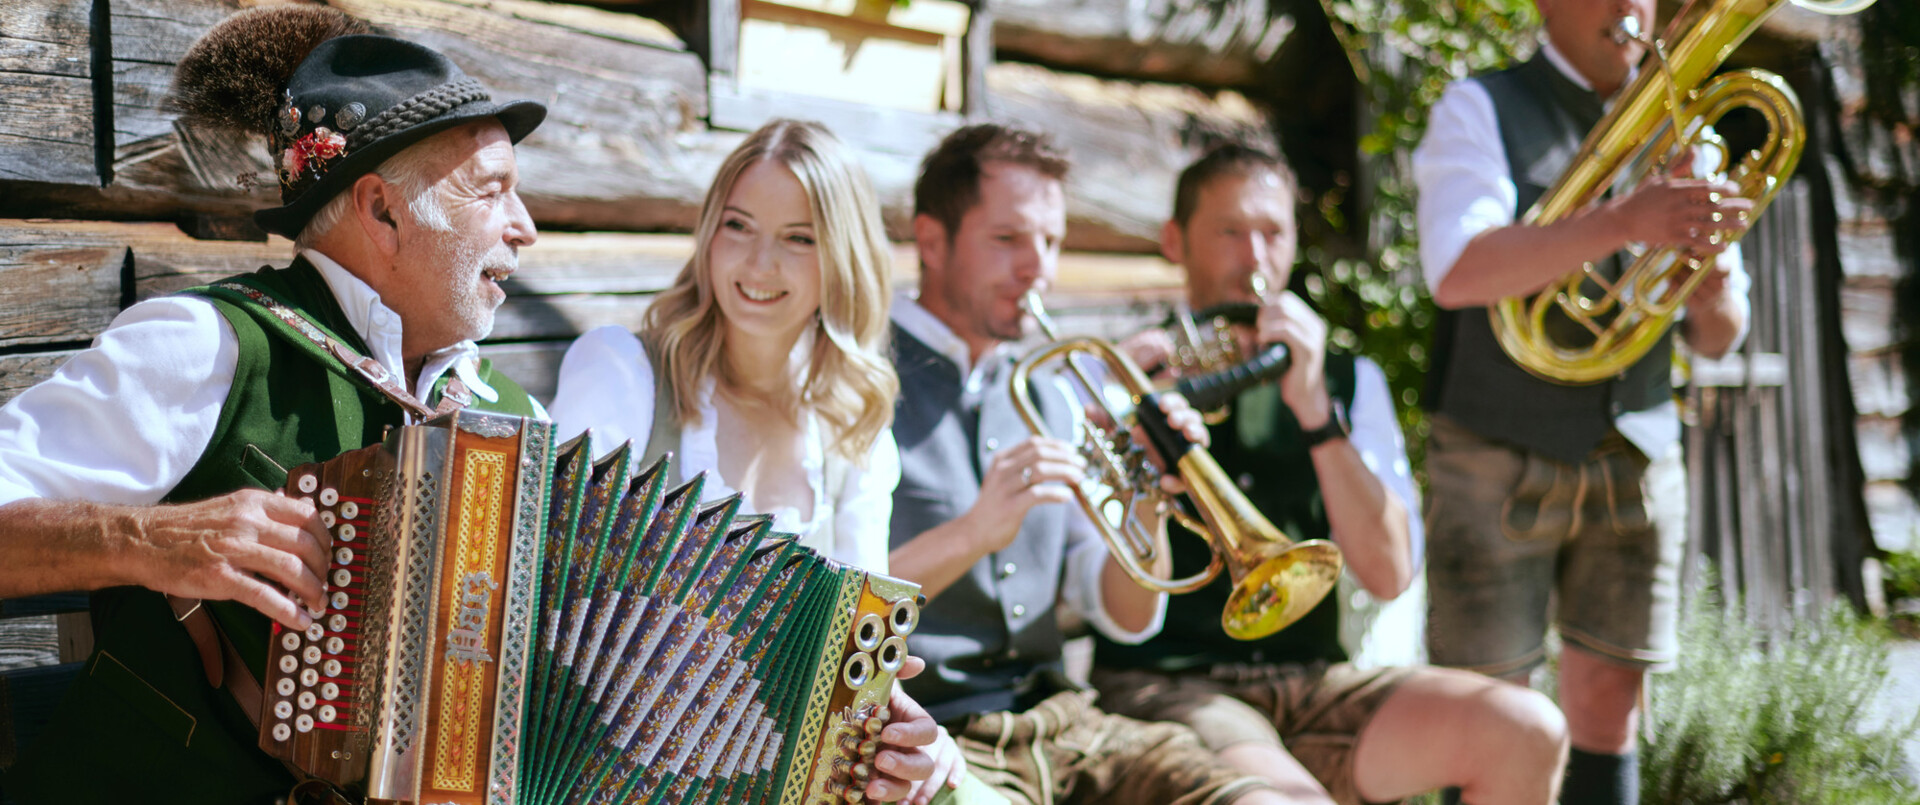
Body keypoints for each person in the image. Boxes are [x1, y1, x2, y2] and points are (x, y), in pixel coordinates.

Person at [0, 10, 938, 803]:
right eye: (494, 192)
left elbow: (595, 678)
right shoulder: (206, 345)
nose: (525, 229)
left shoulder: (510, 419)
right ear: (382, 211)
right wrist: (148, 539)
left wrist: (843, 731)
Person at [1095, 144, 1569, 805]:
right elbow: (1112, 609)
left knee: (1527, 729)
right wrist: (1140, 432)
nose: (1255, 257)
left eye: (1273, 233)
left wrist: (1317, 411)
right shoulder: (1123, 377)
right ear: (1175, 241)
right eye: (1230, 231)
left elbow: (1389, 573)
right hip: (1170, 685)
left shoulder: (1348, 380)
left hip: (1311, 680)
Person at [885, 123, 1295, 805]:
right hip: (933, 740)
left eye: (1050, 242)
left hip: (1064, 725)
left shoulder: (1055, 390)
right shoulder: (860, 379)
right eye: (1008, 239)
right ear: (931, 241)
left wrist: (1148, 498)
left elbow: (1126, 614)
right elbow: (829, 604)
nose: (1038, 269)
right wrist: (975, 532)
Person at [1412, 0, 1754, 801]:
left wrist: (1707, 290)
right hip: (1495, 450)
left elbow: (1720, 335)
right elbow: (1457, 271)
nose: (1626, 7)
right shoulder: (1480, 106)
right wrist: (1625, 220)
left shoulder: (1687, 133)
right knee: (1488, 715)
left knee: (1610, 701)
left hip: (1635, 452)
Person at [549, 119, 899, 571]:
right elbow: (549, 571)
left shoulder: (851, 433)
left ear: (842, 260)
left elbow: (861, 608)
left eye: (798, 238)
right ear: (710, 234)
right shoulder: (622, 374)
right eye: (738, 226)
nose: (760, 263)